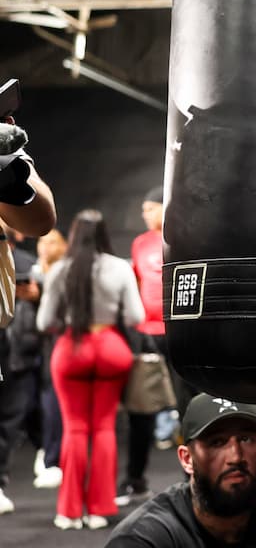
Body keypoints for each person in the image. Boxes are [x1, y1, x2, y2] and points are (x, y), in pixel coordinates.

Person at [36, 208, 145, 530]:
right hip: (111, 348)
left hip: (72, 349)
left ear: (73, 234)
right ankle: (99, 509)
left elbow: (45, 321)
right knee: (104, 429)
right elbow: (136, 318)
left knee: (74, 429)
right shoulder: (119, 268)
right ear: (104, 234)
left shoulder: (60, 270)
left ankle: (70, 512)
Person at [106, 392, 256, 547]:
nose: (235, 457)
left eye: (246, 439)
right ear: (187, 458)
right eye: (217, 442)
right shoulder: (144, 538)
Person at [118, 186, 171, 507]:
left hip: (181, 334)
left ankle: (196, 482)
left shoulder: (183, 236)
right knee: (142, 413)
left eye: (150, 208)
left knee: (189, 406)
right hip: (148, 336)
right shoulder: (140, 244)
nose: (145, 214)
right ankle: (135, 481)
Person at [0, 222, 39, 515]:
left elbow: (6, 312)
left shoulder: (26, 263)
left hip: (18, 354)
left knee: (10, 420)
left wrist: (36, 296)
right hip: (12, 352)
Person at [30, 228, 67, 490]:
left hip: (57, 346)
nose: (46, 247)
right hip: (27, 349)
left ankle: (53, 458)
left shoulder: (66, 274)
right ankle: (45, 450)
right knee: (34, 405)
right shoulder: (31, 272)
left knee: (54, 403)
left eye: (53, 241)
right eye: (43, 241)